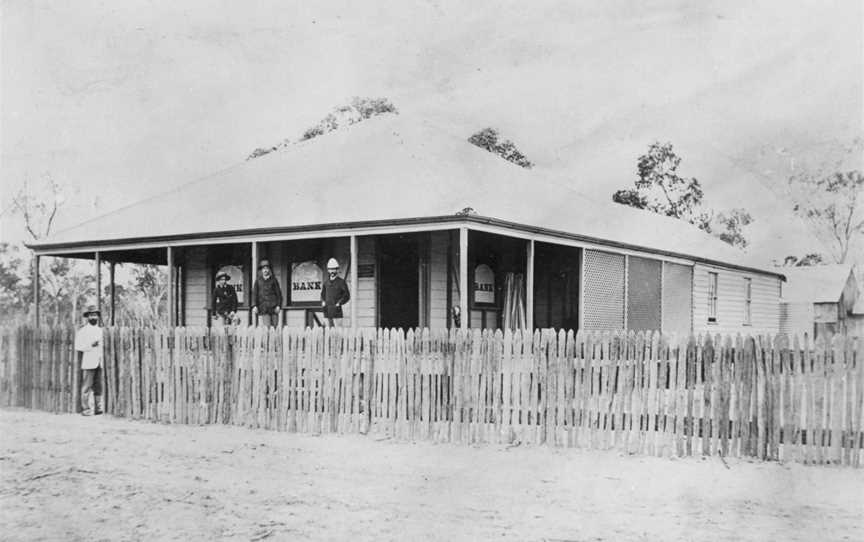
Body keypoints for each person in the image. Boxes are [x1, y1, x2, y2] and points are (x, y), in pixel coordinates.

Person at [74, 305, 104, 416]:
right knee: (86, 386)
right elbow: (78, 346)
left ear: (98, 317)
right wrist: (91, 345)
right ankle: (86, 409)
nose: (93, 317)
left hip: (99, 362)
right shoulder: (83, 331)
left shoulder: (100, 331)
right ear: (88, 317)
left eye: (95, 315)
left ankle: (98, 408)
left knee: (98, 386)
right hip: (89, 362)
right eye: (91, 315)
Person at [252, 259, 283, 327]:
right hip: (264, 308)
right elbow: (254, 294)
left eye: (267, 268)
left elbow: (279, 294)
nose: (265, 270)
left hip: (274, 308)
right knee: (267, 327)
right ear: (261, 270)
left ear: (269, 269)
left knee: (275, 327)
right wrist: (254, 305)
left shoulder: (274, 280)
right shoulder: (258, 281)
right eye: (263, 269)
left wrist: (278, 306)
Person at [321, 257, 350, 327]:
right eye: (330, 269)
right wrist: (323, 301)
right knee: (328, 330)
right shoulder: (326, 283)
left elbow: (347, 295)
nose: (332, 271)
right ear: (328, 270)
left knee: (338, 331)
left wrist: (339, 303)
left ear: (337, 270)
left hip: (336, 310)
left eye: (334, 269)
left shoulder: (341, 282)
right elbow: (322, 294)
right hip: (327, 309)